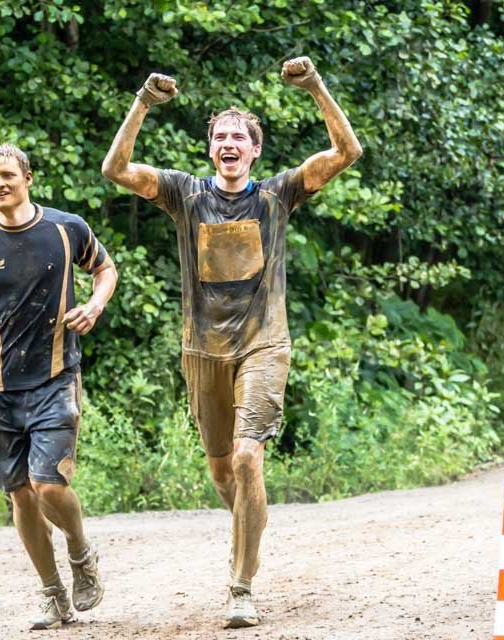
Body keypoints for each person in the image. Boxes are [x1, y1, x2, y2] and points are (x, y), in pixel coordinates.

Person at [101, 57, 361, 628]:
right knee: (224, 474)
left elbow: (346, 153)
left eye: (238, 136)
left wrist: (315, 86)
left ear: (255, 151)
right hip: (202, 351)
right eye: (219, 135)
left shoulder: (276, 195)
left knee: (248, 458)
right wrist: (144, 101)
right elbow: (115, 167)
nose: (228, 142)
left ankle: (241, 586)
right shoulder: (184, 195)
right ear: (209, 148)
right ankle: (251, 525)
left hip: (264, 344)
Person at [0, 144, 118, 630]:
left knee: (48, 484)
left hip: (57, 377)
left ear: (27, 178)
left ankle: (80, 552)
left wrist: (94, 306)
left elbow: (105, 269)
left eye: (7, 175)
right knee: (19, 495)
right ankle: (52, 594)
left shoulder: (66, 228)